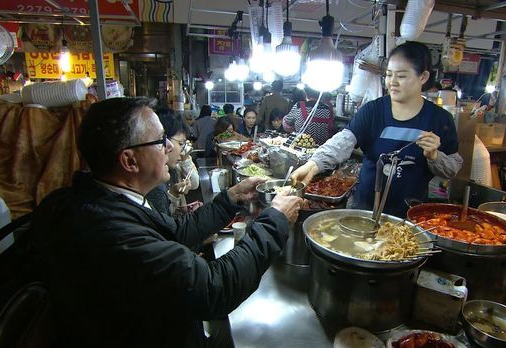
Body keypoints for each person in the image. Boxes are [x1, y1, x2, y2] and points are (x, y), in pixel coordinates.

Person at [29, 97, 303, 347]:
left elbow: (177, 232)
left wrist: (230, 198)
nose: (170, 147)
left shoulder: (111, 200)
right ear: (129, 160)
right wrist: (274, 221)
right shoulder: (109, 232)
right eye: (160, 141)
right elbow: (213, 288)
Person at [291, 41, 463, 218]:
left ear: (423, 77)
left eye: (401, 76)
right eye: (389, 75)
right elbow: (342, 142)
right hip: (363, 210)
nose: (392, 82)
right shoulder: (373, 111)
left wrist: (435, 157)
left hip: (409, 216)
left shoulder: (439, 119)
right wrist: (313, 165)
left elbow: (452, 168)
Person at [146, 107, 200, 216]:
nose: (183, 150)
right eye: (180, 144)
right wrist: (173, 194)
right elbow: (164, 224)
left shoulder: (172, 168)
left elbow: (194, 184)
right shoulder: (154, 184)